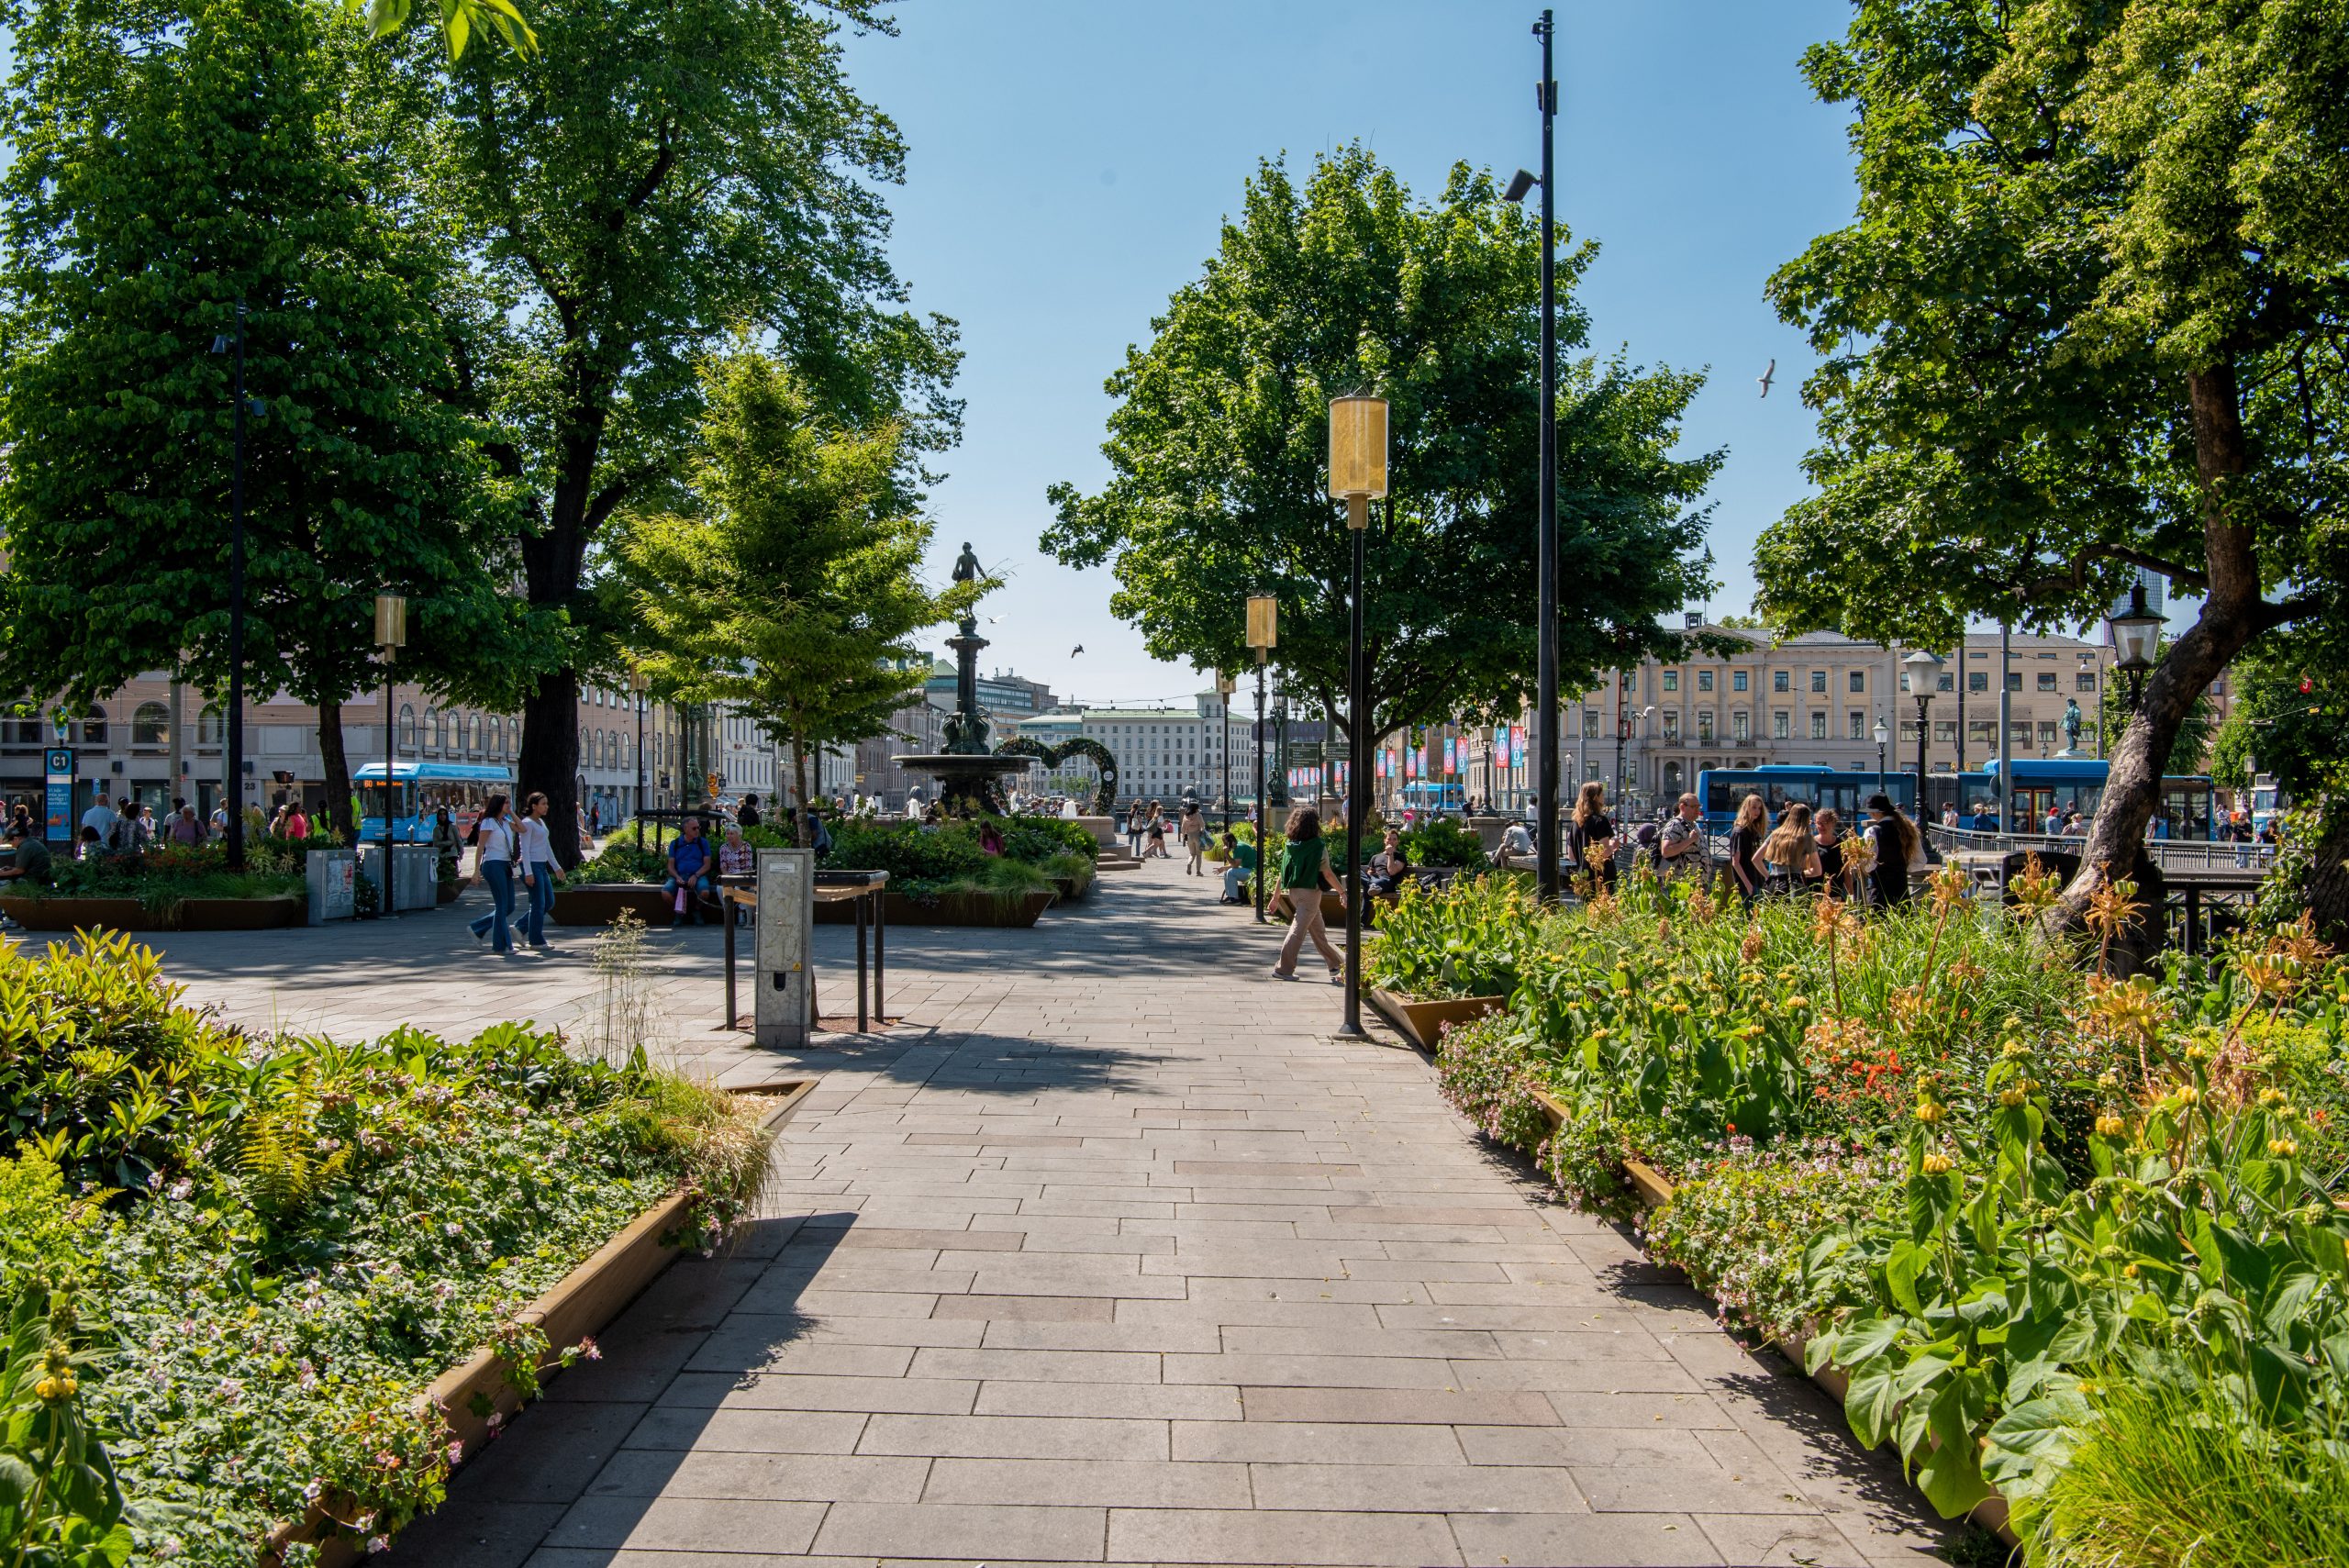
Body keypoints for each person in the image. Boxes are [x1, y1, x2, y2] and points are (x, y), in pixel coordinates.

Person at [1270, 806, 1345, 983]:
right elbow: (1327, 873)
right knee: (1297, 931)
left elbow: (1283, 873)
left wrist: (1276, 897)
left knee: (1319, 933)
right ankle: (1284, 968)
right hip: (1310, 893)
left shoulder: (1290, 846)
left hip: (1294, 892)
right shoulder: (1318, 845)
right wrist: (1343, 892)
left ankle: (1336, 966)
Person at [508, 792, 562, 951]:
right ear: (534, 806)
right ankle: (536, 940)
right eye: (543, 804)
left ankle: (520, 927)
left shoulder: (540, 822)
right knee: (538, 903)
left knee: (549, 901)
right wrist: (529, 872)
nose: (546, 807)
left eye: (547, 803)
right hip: (531, 865)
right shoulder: (527, 823)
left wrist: (557, 867)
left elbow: (546, 847)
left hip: (541, 865)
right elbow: (524, 849)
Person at [468, 794, 519, 954]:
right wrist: (476, 870)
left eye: (510, 802)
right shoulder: (489, 821)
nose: (508, 805)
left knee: (509, 906)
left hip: (506, 865)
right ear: (497, 804)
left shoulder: (505, 822)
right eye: (506, 803)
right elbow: (480, 845)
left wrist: (511, 813)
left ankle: (477, 928)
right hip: (493, 864)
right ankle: (502, 945)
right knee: (502, 905)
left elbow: (522, 828)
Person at [1865, 793, 1923, 908]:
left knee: (1879, 925)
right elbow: (1921, 862)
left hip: (1880, 894)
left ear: (1876, 812)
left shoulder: (1872, 832)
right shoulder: (1908, 830)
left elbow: (1869, 865)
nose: (1868, 814)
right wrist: (1902, 867)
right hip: (1902, 893)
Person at [1761, 801, 1823, 896]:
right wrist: (1800, 873)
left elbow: (1756, 859)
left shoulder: (1776, 834)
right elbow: (1817, 870)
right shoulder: (1806, 837)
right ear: (1807, 819)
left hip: (1773, 885)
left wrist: (1768, 876)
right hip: (1793, 886)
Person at [665, 815, 718, 924]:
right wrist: (677, 877)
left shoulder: (702, 843)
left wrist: (696, 875)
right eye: (694, 828)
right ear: (685, 829)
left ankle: (696, 910)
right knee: (666, 893)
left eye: (698, 827)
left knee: (704, 892)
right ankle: (679, 911)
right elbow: (670, 866)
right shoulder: (675, 844)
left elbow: (707, 865)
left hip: (698, 875)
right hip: (679, 875)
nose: (697, 830)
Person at [1567, 781, 1618, 891]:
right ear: (1596, 797)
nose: (1604, 798)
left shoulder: (1575, 824)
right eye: (1602, 795)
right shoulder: (1600, 821)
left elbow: (1571, 856)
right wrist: (1613, 846)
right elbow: (1604, 852)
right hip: (1601, 878)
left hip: (1583, 877)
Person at [1727, 794, 1769, 906]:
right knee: (1748, 918)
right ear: (1746, 808)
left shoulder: (1754, 830)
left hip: (1757, 881)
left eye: (1760, 808)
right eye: (1754, 807)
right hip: (1747, 883)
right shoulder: (1739, 831)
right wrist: (1747, 885)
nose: (1757, 811)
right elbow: (1735, 862)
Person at [1658, 792, 1709, 883]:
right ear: (1682, 807)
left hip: (1698, 882)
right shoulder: (1674, 825)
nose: (1697, 810)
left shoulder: (1693, 824)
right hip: (1682, 883)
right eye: (1694, 807)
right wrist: (1690, 840)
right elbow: (1666, 851)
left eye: (1698, 807)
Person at [717, 823, 756, 924]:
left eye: (732, 834)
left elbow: (748, 866)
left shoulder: (746, 846)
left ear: (739, 834)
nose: (729, 836)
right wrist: (728, 878)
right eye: (727, 834)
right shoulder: (723, 848)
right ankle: (728, 912)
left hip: (744, 874)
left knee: (740, 887)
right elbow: (723, 867)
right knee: (720, 888)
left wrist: (737, 878)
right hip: (729, 875)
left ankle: (741, 911)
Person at [0, 821, 54, 889]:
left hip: (36, 880)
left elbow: (19, 870)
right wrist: (11, 869)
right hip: (42, 876)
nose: (11, 845)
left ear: (15, 839)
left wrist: (1, 873)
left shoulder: (25, 847)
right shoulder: (31, 842)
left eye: (10, 842)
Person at [1219, 830, 1257, 903]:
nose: (1224, 845)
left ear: (1230, 841)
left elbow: (1235, 865)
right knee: (1226, 872)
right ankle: (1230, 896)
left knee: (1231, 872)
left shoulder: (1239, 847)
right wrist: (1224, 868)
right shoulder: (1237, 846)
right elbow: (1235, 863)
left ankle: (1235, 898)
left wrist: (1226, 854)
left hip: (1253, 872)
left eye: (1225, 843)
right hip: (1249, 869)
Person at [1181, 801, 1207, 875]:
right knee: (1199, 854)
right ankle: (1198, 871)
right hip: (1197, 836)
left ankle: (1189, 863)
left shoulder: (1185, 816)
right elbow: (1202, 825)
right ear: (1196, 809)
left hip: (1189, 836)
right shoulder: (1198, 815)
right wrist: (1202, 831)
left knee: (1192, 854)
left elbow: (1183, 828)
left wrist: (1183, 836)